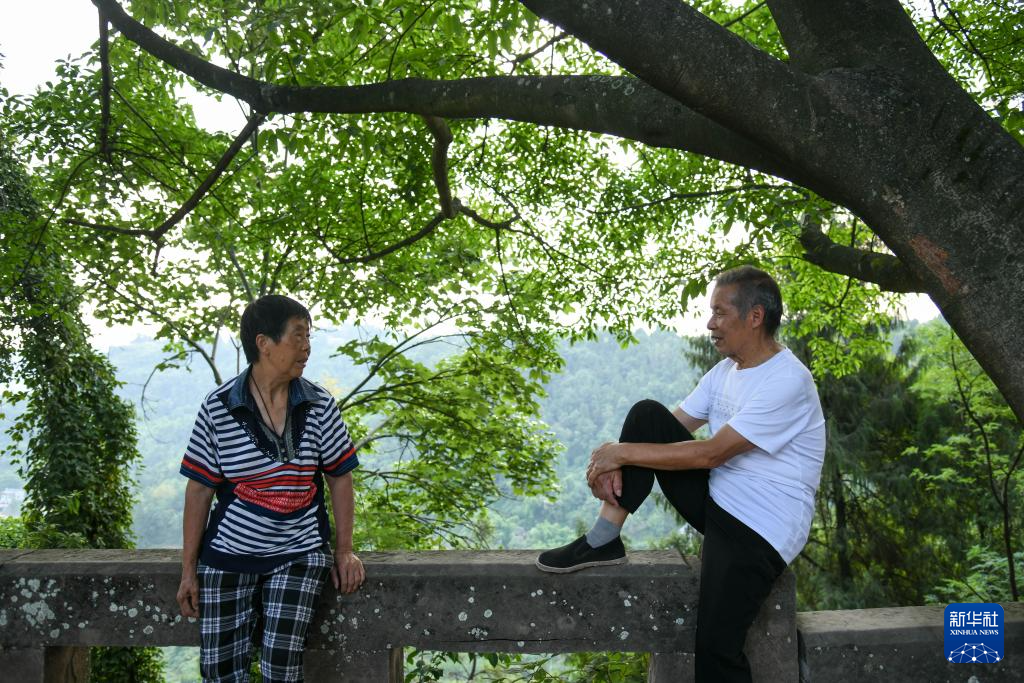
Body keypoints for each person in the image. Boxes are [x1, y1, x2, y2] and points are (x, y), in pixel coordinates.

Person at [536, 266, 826, 683]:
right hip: (718, 499)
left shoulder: (787, 380)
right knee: (646, 416)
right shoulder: (724, 372)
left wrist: (618, 453)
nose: (710, 324)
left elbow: (711, 453)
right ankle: (602, 540)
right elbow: (664, 432)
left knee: (715, 650)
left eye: (720, 313)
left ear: (755, 317)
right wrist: (618, 457)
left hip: (760, 527)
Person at [176, 295, 365, 682]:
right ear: (263, 343)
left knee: (282, 668)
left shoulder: (319, 404)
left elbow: (340, 475)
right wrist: (188, 571)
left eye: (308, 337)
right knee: (220, 672)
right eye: (297, 336)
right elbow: (200, 490)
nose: (306, 347)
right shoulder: (219, 407)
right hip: (228, 553)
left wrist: (344, 551)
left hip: (299, 551)